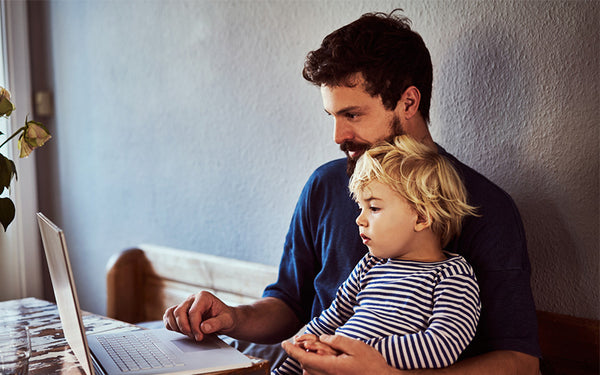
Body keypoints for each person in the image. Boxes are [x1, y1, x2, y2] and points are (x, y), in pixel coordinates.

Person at [163, 9, 541, 374]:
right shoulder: (325, 186)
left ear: (408, 102)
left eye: (353, 115)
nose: (338, 136)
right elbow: (289, 305)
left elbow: (521, 364)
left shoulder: (481, 207)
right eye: (333, 116)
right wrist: (232, 317)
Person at [273, 135, 481, 375]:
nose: (359, 219)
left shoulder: (452, 276)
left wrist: (356, 352)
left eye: (373, 208)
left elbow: (444, 344)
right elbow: (334, 315)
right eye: (361, 207)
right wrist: (299, 346)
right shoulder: (370, 264)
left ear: (421, 217)